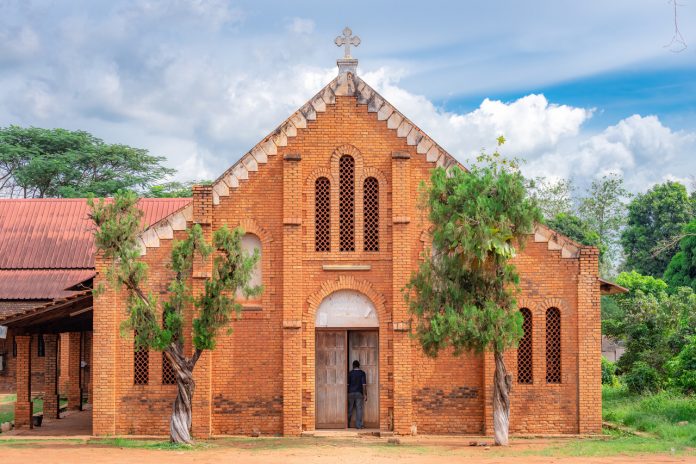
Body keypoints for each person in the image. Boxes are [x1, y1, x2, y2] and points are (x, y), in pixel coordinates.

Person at [347, 359, 367, 429]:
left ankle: (347, 424)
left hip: (350, 393)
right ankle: (358, 425)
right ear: (359, 366)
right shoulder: (362, 373)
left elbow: (347, 384)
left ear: (353, 366)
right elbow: (364, 385)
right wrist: (365, 394)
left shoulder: (350, 373)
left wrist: (346, 393)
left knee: (350, 409)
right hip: (359, 393)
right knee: (359, 409)